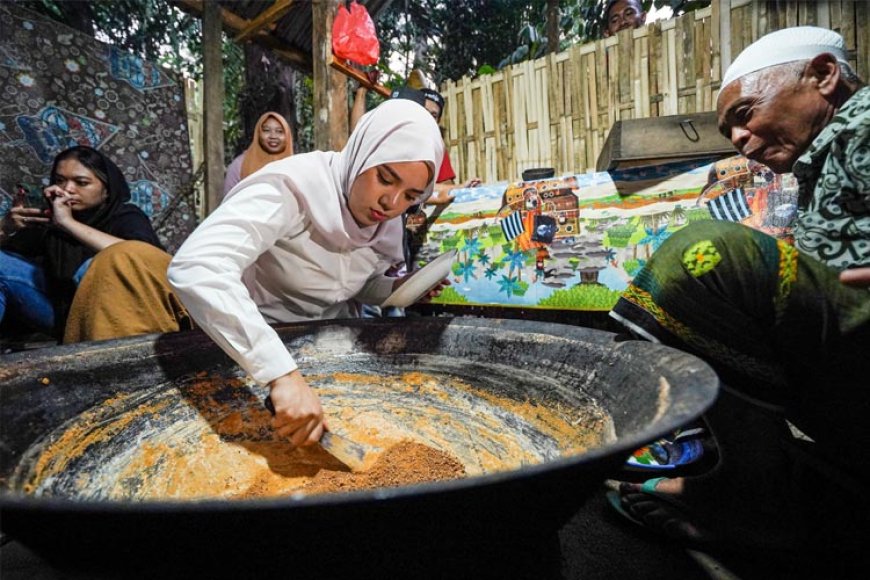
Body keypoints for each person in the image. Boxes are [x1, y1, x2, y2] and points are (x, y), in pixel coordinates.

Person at [607, 26, 869, 564]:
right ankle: (762, 480)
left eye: (746, 113)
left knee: (704, 255)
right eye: (730, 133)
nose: (740, 141)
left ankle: (756, 499)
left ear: (822, 75)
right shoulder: (820, 165)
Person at [62, 99, 445, 449]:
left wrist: (400, 290)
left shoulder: (387, 221)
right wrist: (281, 375)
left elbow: (357, 283)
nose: (391, 202)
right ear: (364, 153)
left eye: (411, 195)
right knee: (126, 262)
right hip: (252, 340)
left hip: (322, 342)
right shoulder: (293, 187)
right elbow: (199, 266)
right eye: (386, 178)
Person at [0, 146, 162, 341]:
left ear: (106, 190)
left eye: (81, 183)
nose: (67, 189)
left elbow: (143, 257)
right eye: (59, 180)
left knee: (96, 266)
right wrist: (5, 227)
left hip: (119, 319)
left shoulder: (125, 216)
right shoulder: (52, 217)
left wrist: (68, 224)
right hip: (64, 316)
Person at [222, 111, 294, 196]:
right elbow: (228, 203)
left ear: (287, 136)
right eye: (266, 130)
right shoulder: (240, 165)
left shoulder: (295, 166)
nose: (273, 136)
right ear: (258, 134)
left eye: (279, 131)